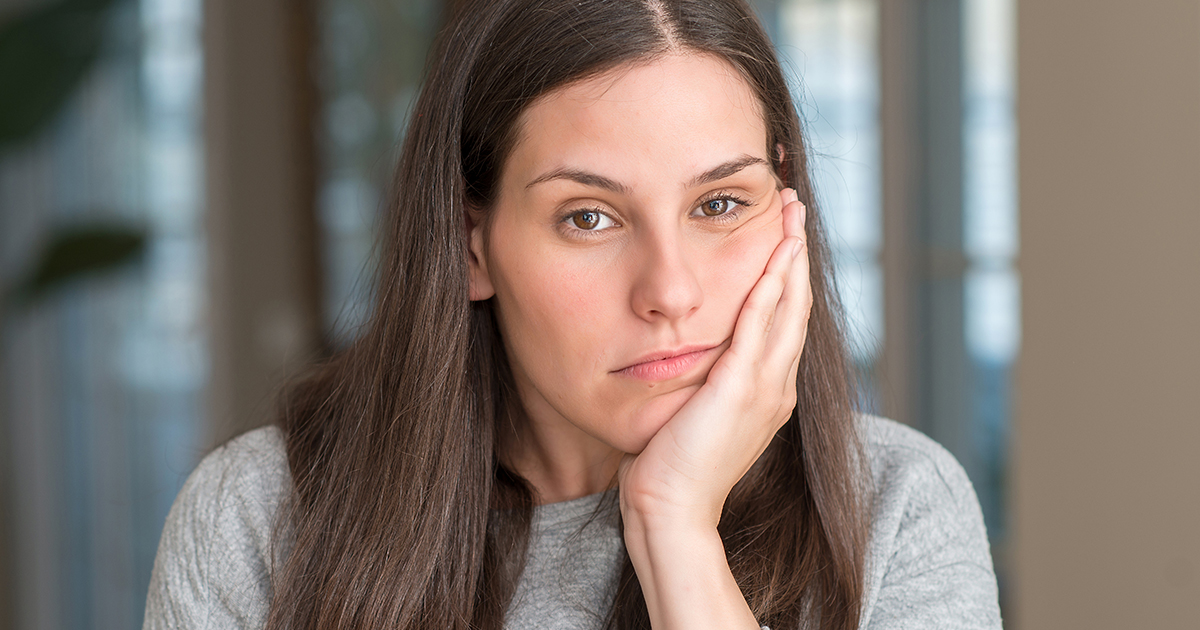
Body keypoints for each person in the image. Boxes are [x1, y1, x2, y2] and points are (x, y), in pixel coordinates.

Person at [144, 0, 1002, 629]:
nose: (670, 290)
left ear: (787, 205)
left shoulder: (896, 509)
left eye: (719, 205)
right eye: (589, 216)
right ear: (469, 243)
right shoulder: (257, 519)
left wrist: (675, 525)